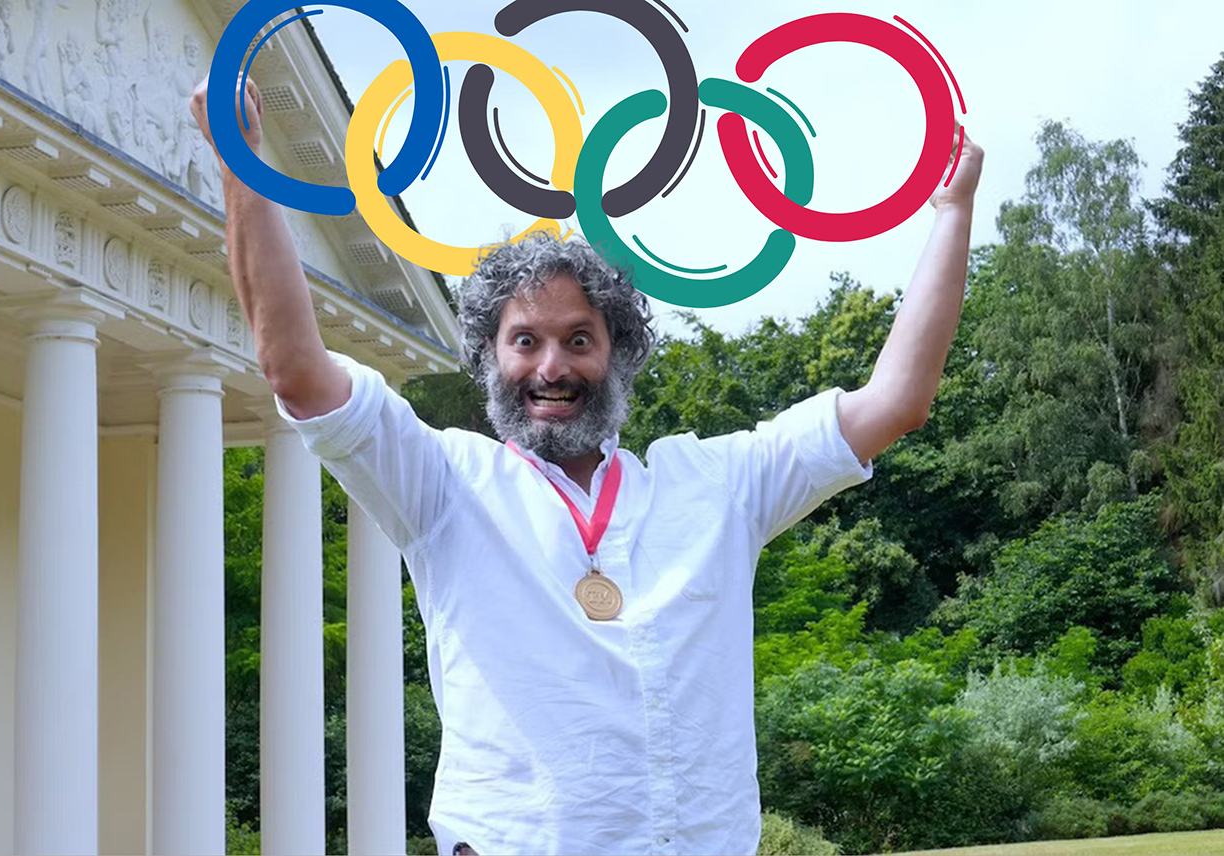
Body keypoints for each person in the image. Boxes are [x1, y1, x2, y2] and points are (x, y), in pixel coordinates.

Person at [190, 74, 984, 856]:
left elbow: (898, 401)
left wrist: (952, 213)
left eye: (579, 339)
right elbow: (293, 366)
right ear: (488, 358)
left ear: (619, 354)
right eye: (525, 341)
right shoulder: (443, 486)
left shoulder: (716, 485)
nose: (551, 367)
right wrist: (242, 162)